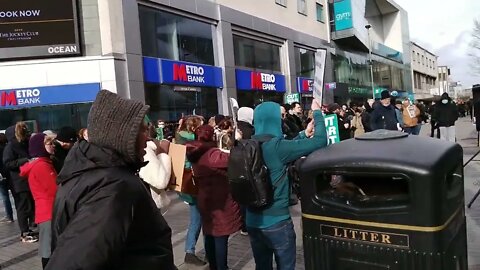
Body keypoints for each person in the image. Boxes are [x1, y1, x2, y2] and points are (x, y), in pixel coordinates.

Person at [46, 90, 175, 270]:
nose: (148, 137)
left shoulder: (90, 171)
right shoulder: (114, 187)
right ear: (122, 136)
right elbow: (74, 263)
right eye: (142, 130)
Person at [247, 99, 327, 270]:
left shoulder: (246, 145)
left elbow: (287, 148)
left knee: (262, 266)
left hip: (253, 220)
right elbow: (320, 141)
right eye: (280, 117)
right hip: (277, 221)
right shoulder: (277, 147)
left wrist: (303, 134)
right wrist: (317, 113)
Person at [186, 125, 242, 270]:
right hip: (219, 200)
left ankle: (213, 265)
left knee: (209, 232)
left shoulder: (194, 153)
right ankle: (221, 267)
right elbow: (234, 159)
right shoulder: (212, 154)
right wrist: (237, 143)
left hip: (204, 198)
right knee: (220, 236)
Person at [19, 133, 57, 269]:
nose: (53, 146)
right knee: (48, 249)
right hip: (49, 211)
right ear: (40, 146)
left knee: (48, 247)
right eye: (49, 143)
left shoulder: (43, 163)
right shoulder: (42, 166)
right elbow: (55, 189)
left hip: (46, 211)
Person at [3, 122, 37, 243]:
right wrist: (25, 160)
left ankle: (29, 227)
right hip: (18, 181)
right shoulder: (11, 146)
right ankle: (24, 232)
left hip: (27, 179)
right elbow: (7, 163)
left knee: (30, 204)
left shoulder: (24, 143)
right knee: (23, 207)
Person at [0, 133, 14, 223]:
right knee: (14, 194)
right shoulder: (8, 147)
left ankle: (9, 215)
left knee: (4, 195)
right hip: (10, 173)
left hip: (1, 174)